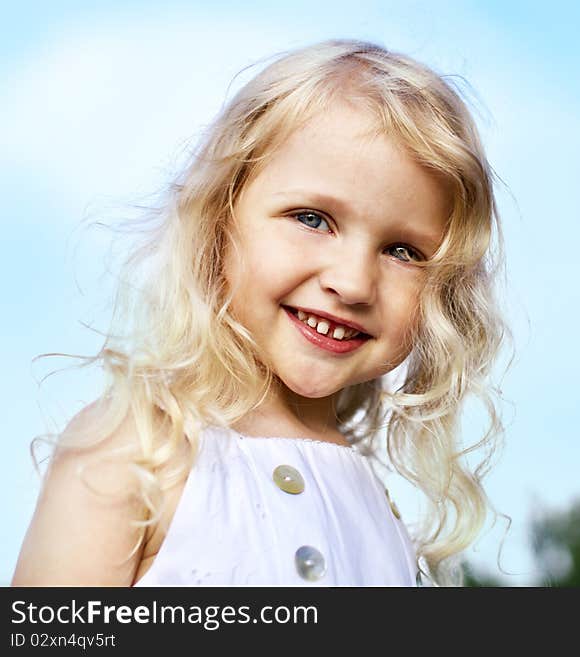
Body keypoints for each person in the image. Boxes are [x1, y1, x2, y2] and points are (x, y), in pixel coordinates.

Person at [12, 39, 510, 587]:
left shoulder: (379, 507)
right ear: (221, 217)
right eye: (313, 219)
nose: (351, 283)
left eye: (402, 252)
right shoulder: (136, 450)